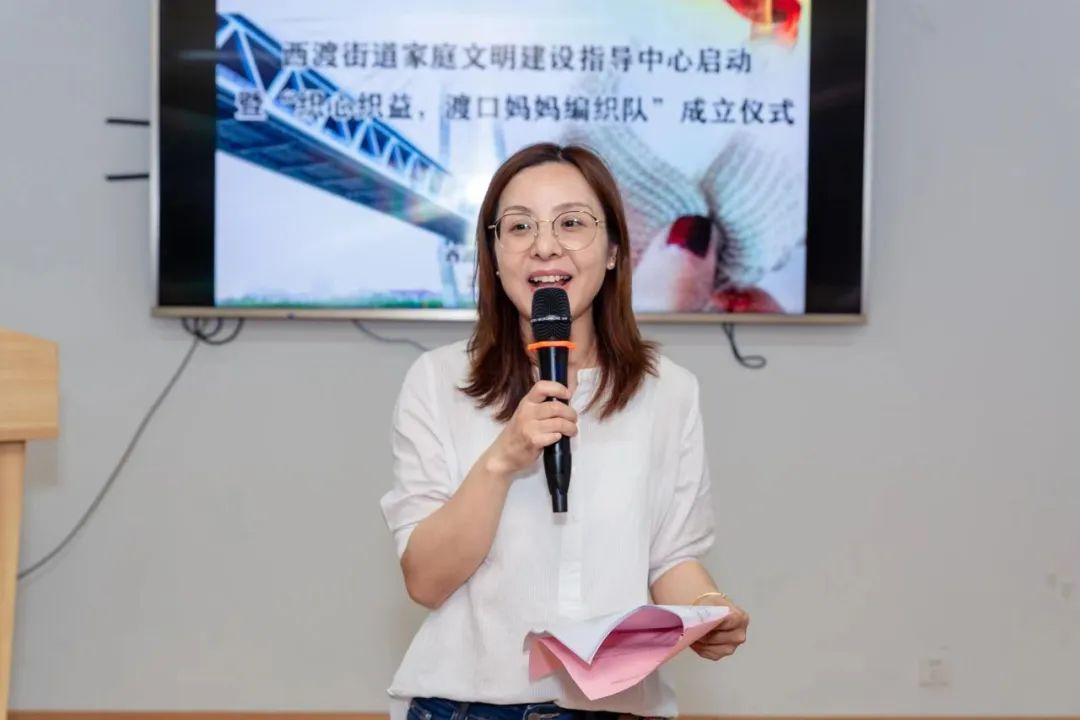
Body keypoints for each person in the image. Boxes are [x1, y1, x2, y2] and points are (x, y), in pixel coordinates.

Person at [379, 143, 750, 720]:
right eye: (519, 226)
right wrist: (502, 459)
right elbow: (425, 581)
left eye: (572, 223)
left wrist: (710, 610)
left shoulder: (669, 390)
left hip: (618, 708)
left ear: (614, 250)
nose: (545, 246)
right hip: (469, 707)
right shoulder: (438, 380)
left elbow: (671, 558)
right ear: (493, 255)